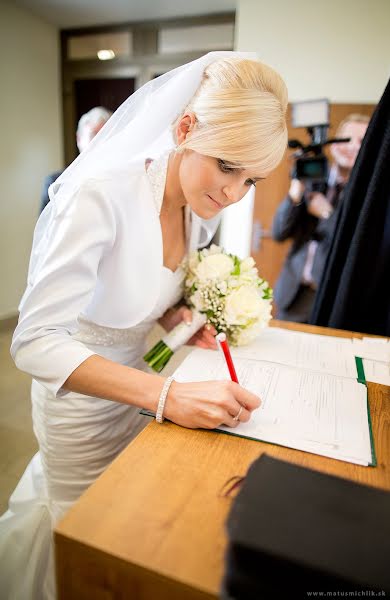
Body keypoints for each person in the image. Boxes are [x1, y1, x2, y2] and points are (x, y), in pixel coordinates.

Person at [0, 51, 288, 600]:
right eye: (227, 167)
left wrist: (178, 317)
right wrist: (167, 395)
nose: (233, 194)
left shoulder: (197, 208)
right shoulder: (99, 196)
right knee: (86, 537)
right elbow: (34, 342)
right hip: (82, 408)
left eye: (250, 179)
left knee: (137, 528)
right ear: (184, 128)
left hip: (144, 398)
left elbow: (139, 294)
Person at [271, 113, 369, 323]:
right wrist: (295, 190)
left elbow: (355, 246)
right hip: (292, 294)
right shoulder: (312, 179)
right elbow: (279, 232)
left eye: (361, 141)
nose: (352, 146)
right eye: (347, 139)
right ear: (333, 144)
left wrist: (327, 214)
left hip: (331, 297)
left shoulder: (366, 196)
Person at [39, 106, 112, 213]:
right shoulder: (55, 183)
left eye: (105, 136)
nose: (99, 143)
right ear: (79, 138)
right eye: (93, 135)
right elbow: (44, 228)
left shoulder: (122, 182)